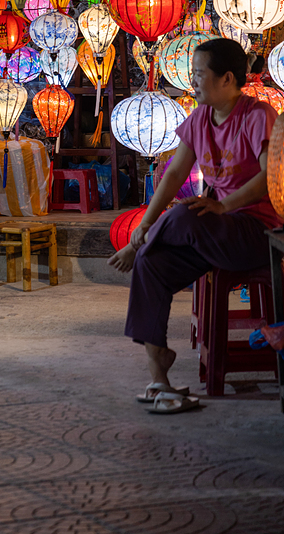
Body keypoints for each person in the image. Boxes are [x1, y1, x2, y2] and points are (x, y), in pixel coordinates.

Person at [108, 38, 281, 414]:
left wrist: (221, 205)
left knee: (187, 214)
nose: (194, 81)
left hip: (254, 230)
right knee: (151, 265)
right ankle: (159, 376)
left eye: (200, 74)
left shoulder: (257, 115)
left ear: (227, 78)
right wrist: (150, 219)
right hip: (211, 228)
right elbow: (173, 176)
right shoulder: (200, 118)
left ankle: (140, 242)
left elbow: (269, 177)